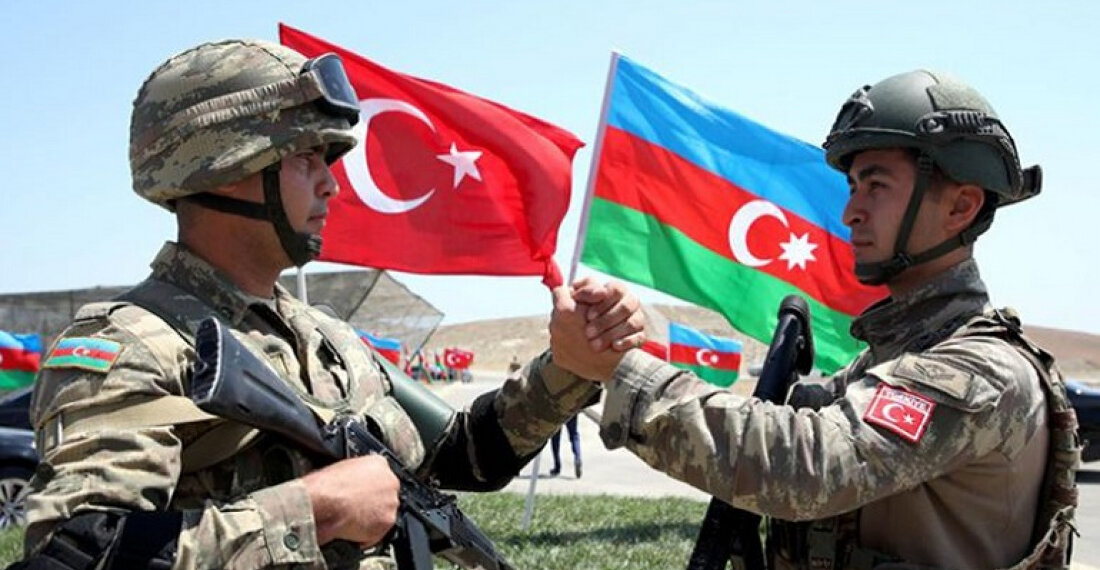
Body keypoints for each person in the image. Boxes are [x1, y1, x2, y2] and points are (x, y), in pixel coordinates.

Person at [19, 39, 644, 570]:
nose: (331, 183)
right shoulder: (131, 346)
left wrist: (570, 367)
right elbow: (72, 553)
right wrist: (313, 511)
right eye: (305, 157)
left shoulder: (324, 335)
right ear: (225, 166)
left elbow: (461, 456)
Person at [549, 70, 1079, 569]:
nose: (850, 213)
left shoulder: (981, 370)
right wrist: (620, 337)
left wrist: (619, 370)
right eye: (853, 188)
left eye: (876, 186)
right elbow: (782, 426)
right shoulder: (889, 359)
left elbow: (809, 467)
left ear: (961, 206)